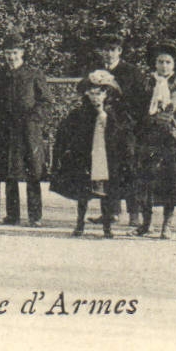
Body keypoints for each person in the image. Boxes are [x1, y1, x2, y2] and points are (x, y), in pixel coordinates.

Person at [50, 70, 135, 238]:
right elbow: (65, 134)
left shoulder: (116, 115)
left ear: (107, 94)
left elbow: (125, 136)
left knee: (107, 192)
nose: (96, 97)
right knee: (83, 193)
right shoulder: (80, 114)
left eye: (100, 93)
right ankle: (79, 223)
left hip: (106, 158)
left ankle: (107, 227)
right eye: (92, 93)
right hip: (86, 158)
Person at [0, 37, 52, 226]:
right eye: (8, 53)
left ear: (22, 53)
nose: (11, 57)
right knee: (9, 173)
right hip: (7, 129)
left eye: (14, 53)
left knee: (32, 173)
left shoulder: (33, 73)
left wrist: (34, 118)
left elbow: (45, 100)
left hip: (28, 129)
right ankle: (12, 215)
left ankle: (35, 217)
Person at [132, 42, 176, 239]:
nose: (164, 66)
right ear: (154, 63)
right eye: (160, 62)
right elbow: (135, 107)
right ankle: (146, 223)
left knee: (172, 181)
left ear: (174, 65)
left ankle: (167, 225)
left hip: (172, 138)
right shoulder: (146, 83)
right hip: (148, 135)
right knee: (146, 180)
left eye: (168, 62)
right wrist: (145, 120)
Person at [93, 36, 147, 228]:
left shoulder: (131, 72)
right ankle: (110, 212)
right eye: (105, 50)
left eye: (112, 50)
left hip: (125, 127)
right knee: (106, 168)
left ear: (119, 52)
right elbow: (84, 90)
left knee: (130, 169)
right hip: (103, 126)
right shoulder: (95, 72)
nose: (108, 53)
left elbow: (141, 101)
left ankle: (134, 213)